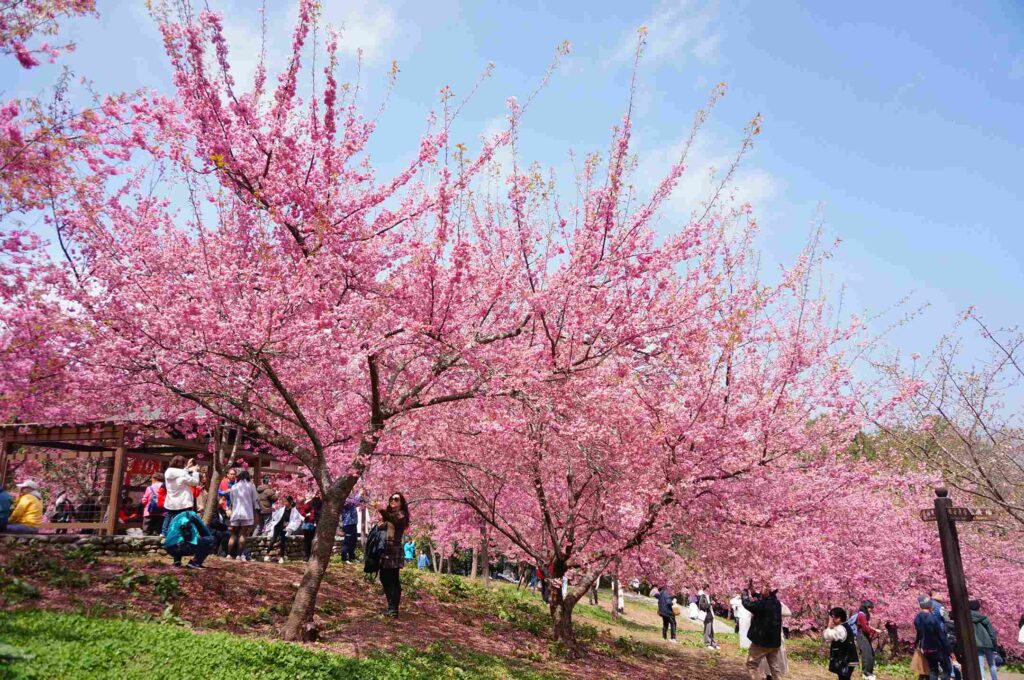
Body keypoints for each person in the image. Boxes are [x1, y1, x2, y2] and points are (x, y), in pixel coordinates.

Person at [742, 583, 785, 679]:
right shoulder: (776, 603)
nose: (760, 589)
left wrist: (744, 593)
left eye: (763, 587)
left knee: (751, 664)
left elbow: (748, 604)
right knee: (774, 667)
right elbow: (762, 601)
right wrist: (753, 593)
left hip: (762, 642)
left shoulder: (763, 604)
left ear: (768, 591)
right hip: (774, 642)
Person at [378, 491, 409, 617]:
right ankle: (391, 606)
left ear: (401, 503)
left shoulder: (401, 515)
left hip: (394, 550)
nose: (393, 501)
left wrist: (381, 510)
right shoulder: (390, 515)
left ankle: (393, 609)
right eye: (391, 499)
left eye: (396, 499)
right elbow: (388, 523)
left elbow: (394, 520)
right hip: (385, 549)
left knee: (393, 579)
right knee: (384, 577)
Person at [915, 595, 952, 680]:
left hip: (926, 648)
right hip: (937, 647)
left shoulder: (917, 618)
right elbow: (940, 634)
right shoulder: (932, 619)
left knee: (933, 669)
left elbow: (919, 634)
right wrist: (948, 648)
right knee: (947, 669)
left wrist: (917, 644)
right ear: (930, 606)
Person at [163, 455, 201, 534]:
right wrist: (195, 472)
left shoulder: (168, 472)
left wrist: (188, 468)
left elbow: (181, 473)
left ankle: (164, 533)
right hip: (183, 502)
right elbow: (195, 482)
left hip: (171, 501)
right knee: (184, 519)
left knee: (169, 516)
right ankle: (182, 533)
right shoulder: (183, 474)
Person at [227, 469, 257, 560]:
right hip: (247, 513)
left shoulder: (234, 487)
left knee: (233, 534)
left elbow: (231, 500)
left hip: (236, 512)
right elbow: (254, 500)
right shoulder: (251, 486)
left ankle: (229, 554)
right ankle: (239, 555)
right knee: (243, 534)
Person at [824, 607, 859, 680]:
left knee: (843, 678)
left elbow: (828, 636)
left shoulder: (840, 629)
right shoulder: (846, 626)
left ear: (839, 618)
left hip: (845, 660)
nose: (832, 620)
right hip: (849, 659)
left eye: (833, 618)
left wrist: (828, 627)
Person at [970, 600, 998, 680]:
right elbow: (992, 633)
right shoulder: (984, 618)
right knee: (992, 664)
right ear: (978, 607)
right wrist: (994, 645)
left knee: (980, 665)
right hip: (988, 643)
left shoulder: (967, 619)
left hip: (976, 644)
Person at [852, 600, 880, 680]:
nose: (871, 609)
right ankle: (866, 673)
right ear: (866, 607)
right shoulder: (861, 615)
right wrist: (875, 631)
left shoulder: (864, 615)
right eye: (870, 608)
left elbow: (867, 627)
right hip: (861, 636)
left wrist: (874, 630)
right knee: (866, 654)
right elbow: (865, 628)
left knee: (871, 654)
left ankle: (869, 673)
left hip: (864, 636)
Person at [264, 496, 295, 563]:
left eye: (285, 501)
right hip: (278, 526)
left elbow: (295, 519)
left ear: (290, 502)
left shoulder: (293, 511)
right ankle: (267, 555)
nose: (284, 503)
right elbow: (275, 517)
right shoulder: (281, 509)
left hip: (285, 528)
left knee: (283, 542)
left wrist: (289, 524)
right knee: (273, 540)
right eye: (283, 501)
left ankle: (281, 557)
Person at [300, 495, 322, 562]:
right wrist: (307, 515)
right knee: (307, 541)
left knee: (314, 541)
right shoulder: (310, 503)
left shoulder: (322, 503)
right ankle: (306, 556)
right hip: (309, 524)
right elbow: (302, 511)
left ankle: (312, 556)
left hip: (317, 524)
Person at [340, 493, 361, 562]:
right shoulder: (344, 500)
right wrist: (360, 493)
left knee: (354, 540)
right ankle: (344, 558)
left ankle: (352, 557)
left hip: (353, 523)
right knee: (347, 541)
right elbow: (353, 502)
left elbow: (357, 502)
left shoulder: (352, 499)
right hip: (347, 523)